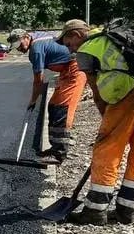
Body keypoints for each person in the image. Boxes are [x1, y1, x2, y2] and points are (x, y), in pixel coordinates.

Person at [66, 25, 134, 226]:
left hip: (126, 94)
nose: (70, 49)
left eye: (69, 43)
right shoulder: (116, 36)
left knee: (107, 149)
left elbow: (96, 91)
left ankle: (95, 211)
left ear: (77, 35)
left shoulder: (87, 51)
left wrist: (107, 119)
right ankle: (126, 211)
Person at [7, 21, 90, 165]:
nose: (20, 49)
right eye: (17, 48)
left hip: (74, 69)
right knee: (53, 106)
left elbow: (38, 80)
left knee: (62, 110)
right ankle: (54, 148)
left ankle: (59, 154)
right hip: (67, 70)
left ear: (26, 37)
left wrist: (33, 101)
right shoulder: (38, 37)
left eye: (20, 45)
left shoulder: (36, 50)